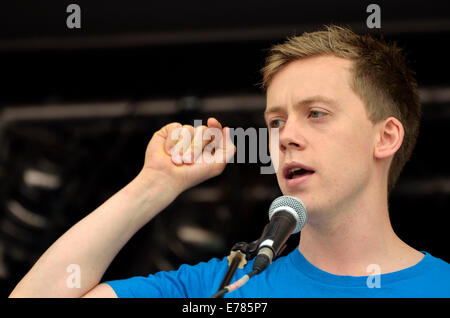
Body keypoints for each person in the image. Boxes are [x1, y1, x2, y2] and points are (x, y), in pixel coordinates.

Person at [9, 25, 450, 298]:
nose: (287, 136)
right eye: (275, 121)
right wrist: (155, 184)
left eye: (316, 114)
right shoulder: (225, 287)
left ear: (386, 136)